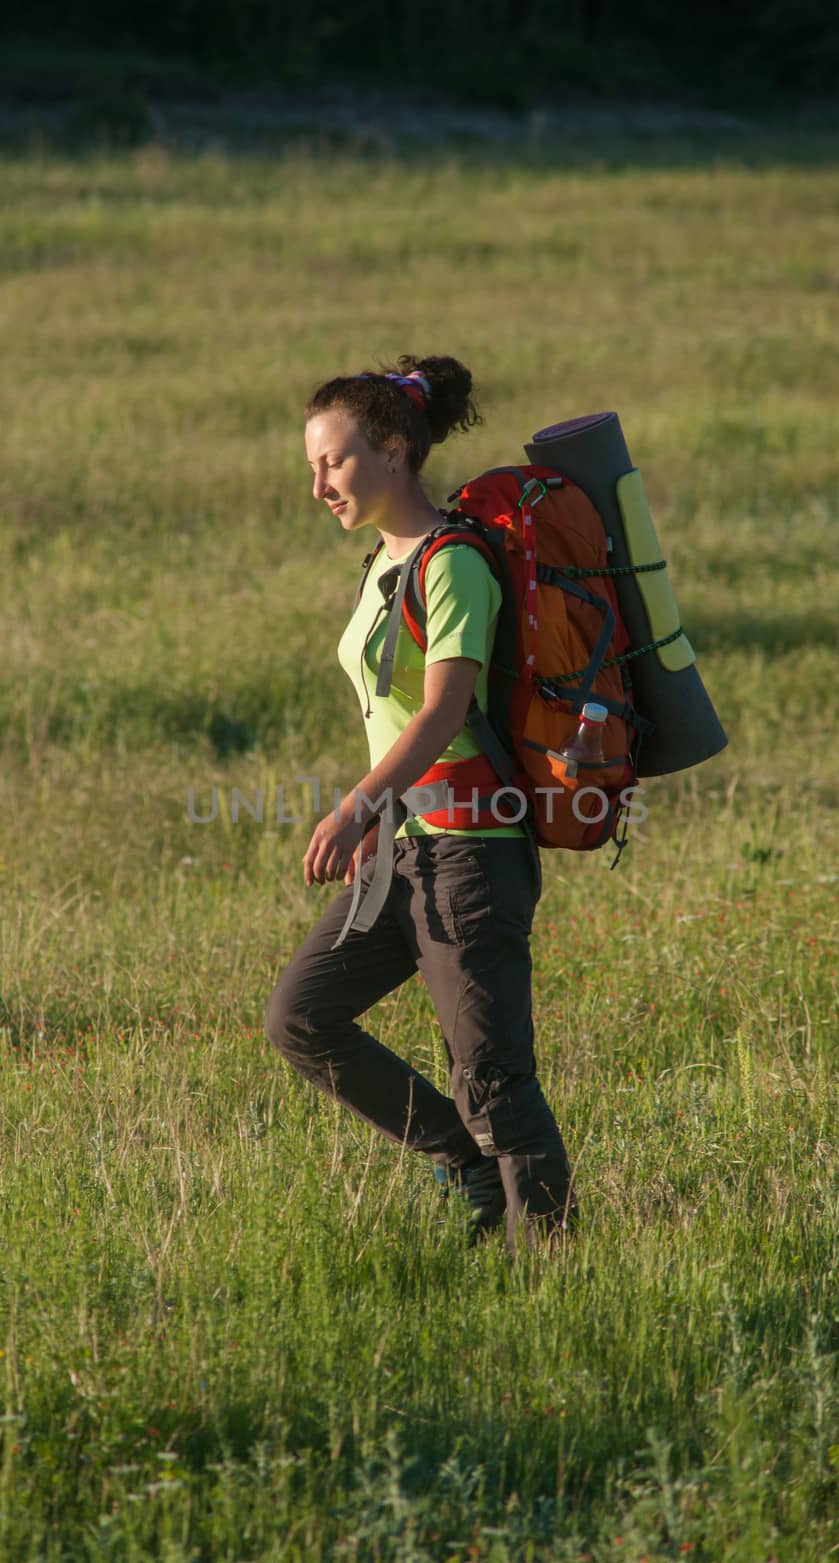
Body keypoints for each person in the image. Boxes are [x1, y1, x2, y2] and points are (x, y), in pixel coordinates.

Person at [264, 355, 578, 1252]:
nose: (318, 484)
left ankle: (545, 1261)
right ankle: (463, 1162)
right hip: (408, 846)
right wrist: (384, 822)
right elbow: (389, 710)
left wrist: (358, 805)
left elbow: (442, 709)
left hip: (473, 852)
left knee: (490, 1072)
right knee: (302, 1018)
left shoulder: (454, 563)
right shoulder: (383, 559)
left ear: (395, 451)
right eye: (311, 468)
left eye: (334, 462)